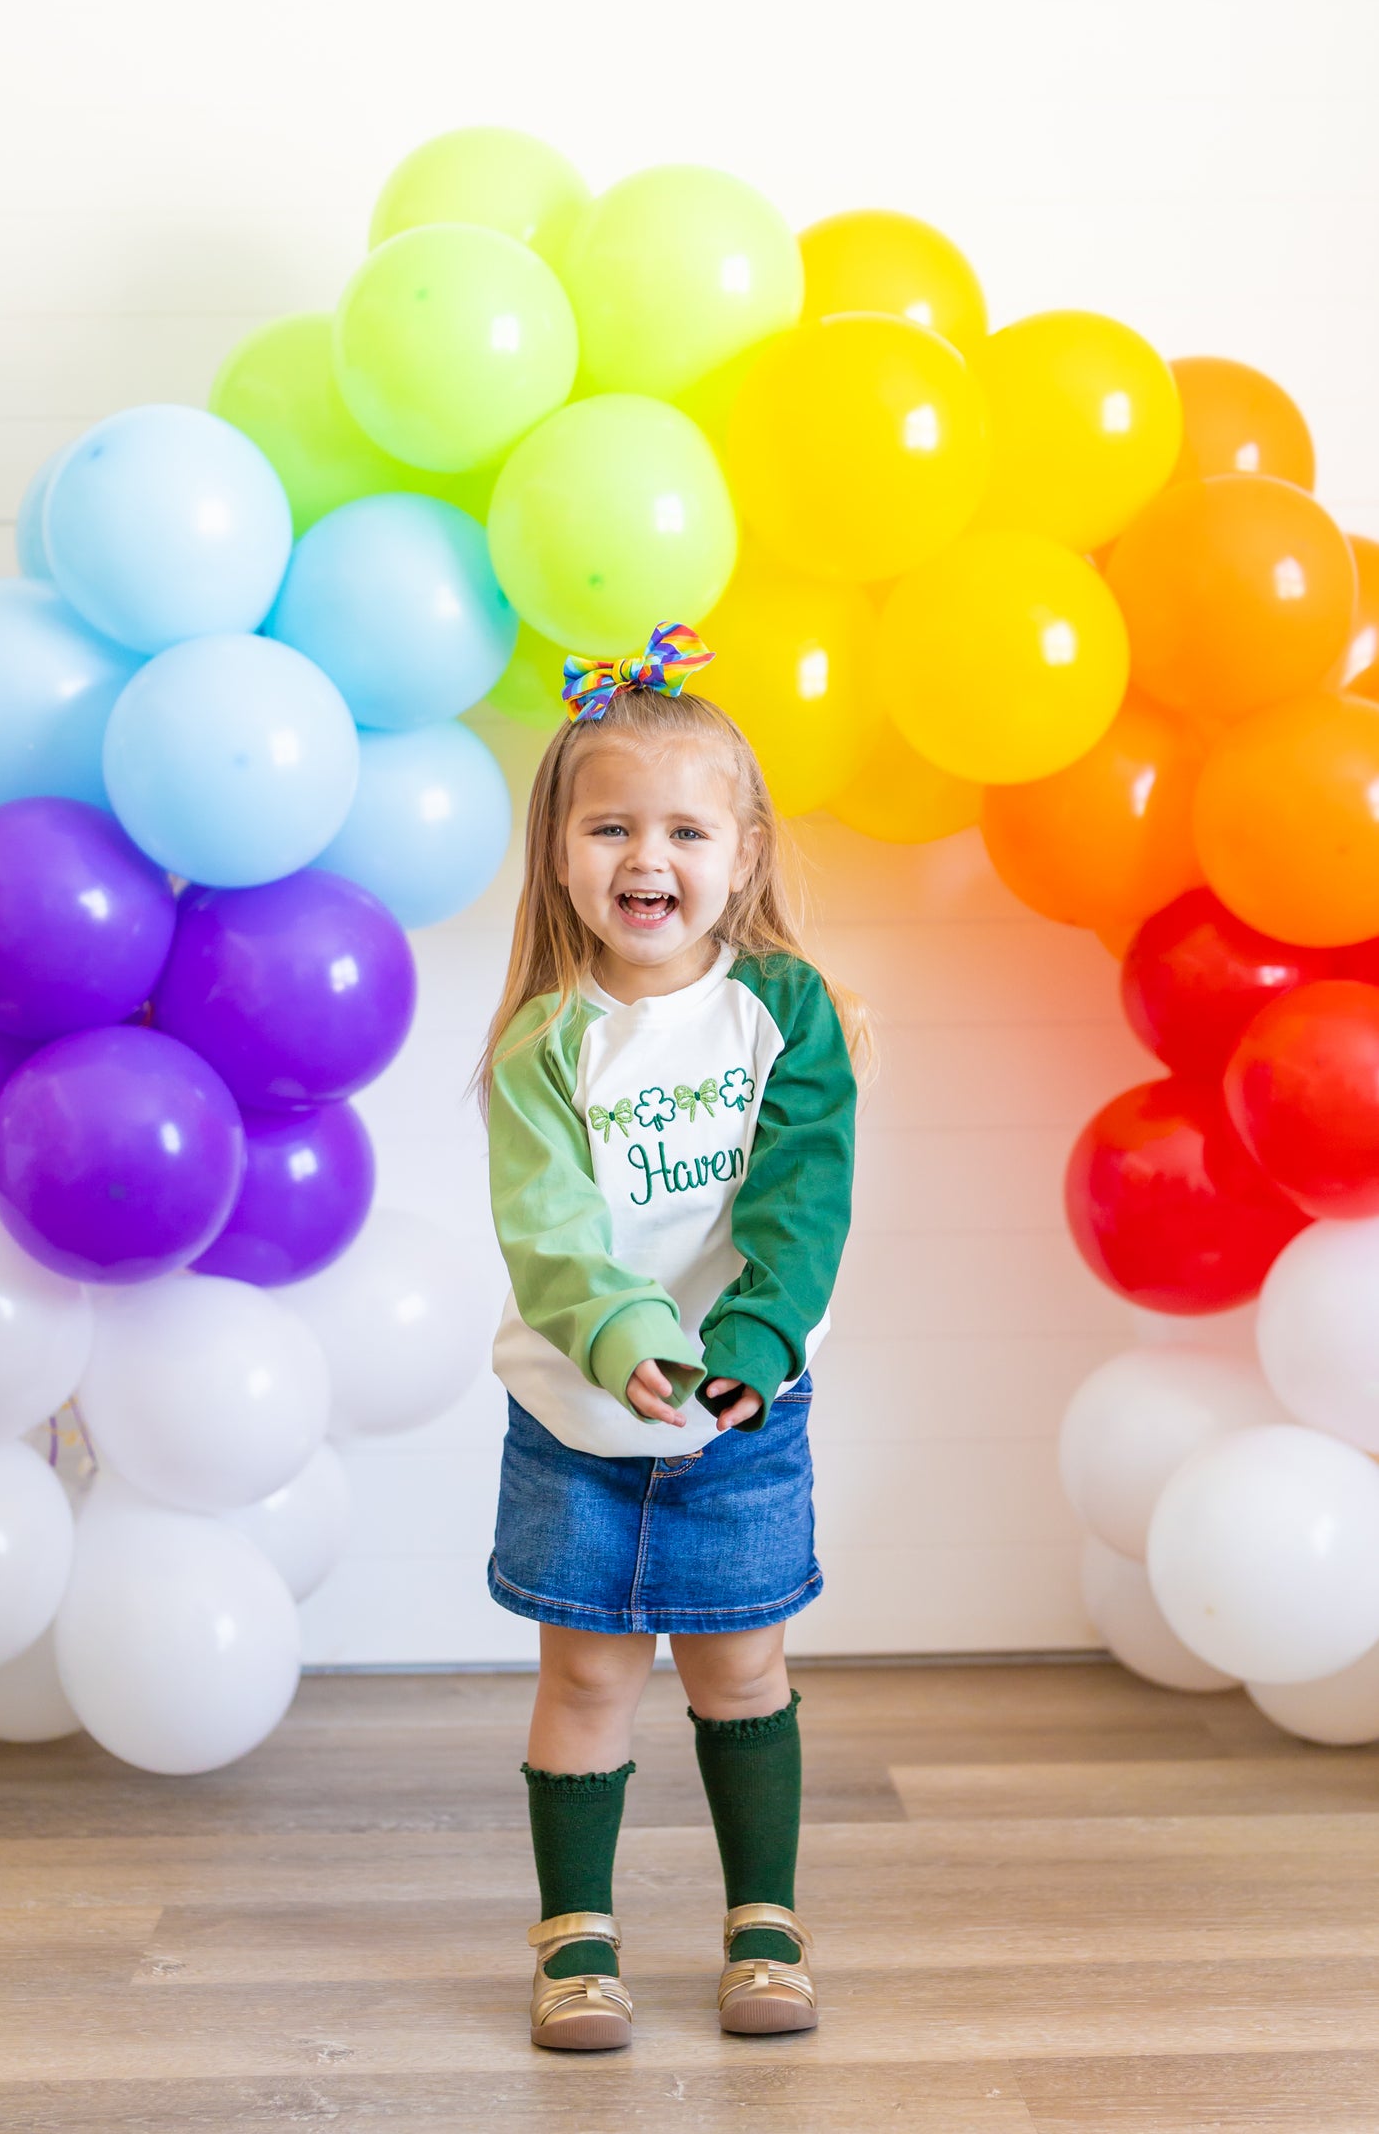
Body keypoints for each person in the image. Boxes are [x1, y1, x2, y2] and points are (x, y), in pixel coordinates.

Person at [476, 621, 865, 2050]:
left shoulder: (782, 1012)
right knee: (584, 1674)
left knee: (741, 1670)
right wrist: (620, 1330)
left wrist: (752, 1340)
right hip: (578, 1421)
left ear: (744, 853)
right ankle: (574, 1940)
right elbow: (551, 1228)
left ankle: (762, 1921)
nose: (649, 858)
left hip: (740, 1418)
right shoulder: (545, 1042)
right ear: (562, 854)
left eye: (685, 828)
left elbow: (802, 1191)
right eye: (612, 827)